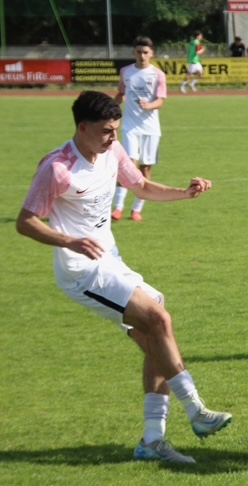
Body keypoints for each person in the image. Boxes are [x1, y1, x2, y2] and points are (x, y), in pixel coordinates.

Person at [16, 90, 233, 463]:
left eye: (115, 129)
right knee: (159, 318)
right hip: (81, 271)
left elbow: (141, 187)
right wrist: (69, 240)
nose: (113, 137)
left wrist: (185, 193)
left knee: (156, 338)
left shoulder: (113, 151)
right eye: (106, 131)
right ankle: (197, 410)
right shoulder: (57, 168)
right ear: (83, 128)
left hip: (111, 261)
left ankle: (152, 441)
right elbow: (25, 222)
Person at [111, 35, 166, 222]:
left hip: (151, 128)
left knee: (145, 169)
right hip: (130, 126)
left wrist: (149, 105)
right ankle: (118, 208)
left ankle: (136, 209)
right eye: (139, 52)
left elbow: (161, 101)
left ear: (152, 54)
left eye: (145, 52)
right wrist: (108, 107)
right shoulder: (125, 71)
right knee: (127, 165)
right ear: (133, 53)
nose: (142, 55)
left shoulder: (158, 74)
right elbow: (120, 93)